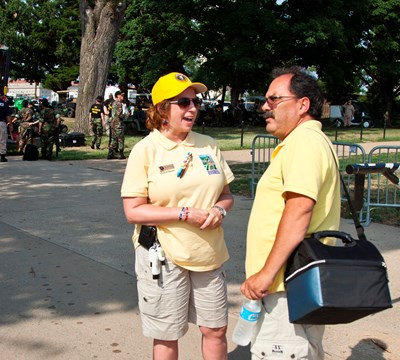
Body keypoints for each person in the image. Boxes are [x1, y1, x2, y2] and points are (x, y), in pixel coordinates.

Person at [121, 72, 235, 360]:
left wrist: (219, 210)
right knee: (168, 335)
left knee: (216, 330)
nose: (193, 108)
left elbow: (226, 195)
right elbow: (133, 211)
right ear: (162, 109)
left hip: (208, 254)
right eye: (183, 102)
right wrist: (184, 213)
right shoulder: (145, 150)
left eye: (195, 102)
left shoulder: (208, 145)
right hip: (164, 255)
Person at [240, 66, 341, 359]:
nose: (264, 107)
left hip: (287, 283)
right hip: (295, 280)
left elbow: (299, 210)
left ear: (302, 105)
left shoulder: (304, 143)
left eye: (274, 100)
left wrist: (266, 274)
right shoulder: (305, 141)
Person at [107, 90, 126, 159]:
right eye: (122, 95)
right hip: (118, 124)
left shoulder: (113, 103)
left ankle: (111, 153)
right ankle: (121, 154)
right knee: (120, 139)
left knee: (113, 138)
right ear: (118, 96)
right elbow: (119, 114)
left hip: (113, 123)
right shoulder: (119, 103)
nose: (123, 97)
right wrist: (126, 115)